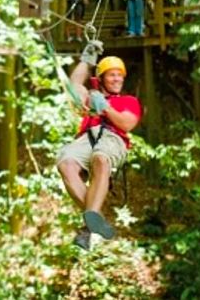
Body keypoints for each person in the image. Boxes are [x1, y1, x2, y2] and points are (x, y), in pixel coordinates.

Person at [56, 42, 142, 249]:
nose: (117, 79)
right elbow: (73, 85)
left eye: (120, 75)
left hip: (113, 138)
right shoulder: (90, 96)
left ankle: (88, 226)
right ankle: (95, 218)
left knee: (101, 159)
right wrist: (87, 61)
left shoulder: (128, 101)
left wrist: (106, 108)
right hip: (87, 137)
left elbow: (127, 123)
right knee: (65, 163)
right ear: (101, 78)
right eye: (112, 75)